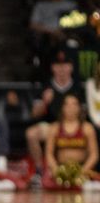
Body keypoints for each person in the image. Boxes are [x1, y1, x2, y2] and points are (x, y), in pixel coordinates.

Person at [26, 49, 85, 179]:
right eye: (58, 66)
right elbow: (34, 114)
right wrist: (44, 102)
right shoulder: (45, 85)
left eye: (65, 66)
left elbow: (84, 114)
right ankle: (40, 170)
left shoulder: (78, 87)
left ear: (71, 67)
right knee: (31, 134)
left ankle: (82, 171)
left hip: (74, 126)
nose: (62, 69)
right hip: (51, 125)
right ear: (53, 68)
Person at [42, 94, 99, 190]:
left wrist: (83, 171)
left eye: (74, 104)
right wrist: (56, 170)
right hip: (60, 170)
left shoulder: (87, 128)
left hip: (83, 170)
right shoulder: (54, 128)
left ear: (79, 108)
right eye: (67, 105)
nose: (70, 108)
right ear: (62, 108)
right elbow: (48, 153)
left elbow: (94, 155)